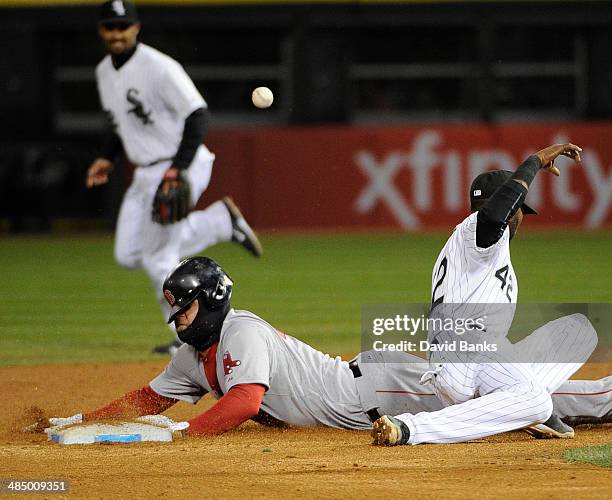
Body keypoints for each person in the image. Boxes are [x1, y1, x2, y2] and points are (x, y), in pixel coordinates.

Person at [43, 257, 610, 437]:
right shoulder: (194, 355)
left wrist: (187, 433)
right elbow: (149, 398)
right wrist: (83, 421)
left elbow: (243, 402)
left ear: (212, 301)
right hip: (368, 392)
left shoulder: (241, 329)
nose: (178, 319)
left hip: (382, 389)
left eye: (186, 307)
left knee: (497, 402)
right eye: (175, 309)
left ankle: (603, 400)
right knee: (500, 405)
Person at [370, 143, 598, 446]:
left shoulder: (481, 247)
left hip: (481, 353)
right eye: (519, 209)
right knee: (539, 402)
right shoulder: (476, 232)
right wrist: (533, 162)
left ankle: (524, 408)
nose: (522, 217)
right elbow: (493, 217)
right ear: (504, 205)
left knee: (580, 330)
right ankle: (412, 428)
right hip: (461, 357)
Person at [86, 1, 262, 355]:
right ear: (101, 31)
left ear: (136, 28)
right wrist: (107, 157)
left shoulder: (159, 68)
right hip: (146, 169)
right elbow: (123, 125)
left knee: (158, 256)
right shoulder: (105, 71)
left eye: (124, 26)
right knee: (128, 253)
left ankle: (188, 336)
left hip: (180, 163)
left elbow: (197, 115)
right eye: (110, 27)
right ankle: (219, 222)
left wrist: (176, 168)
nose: (117, 33)